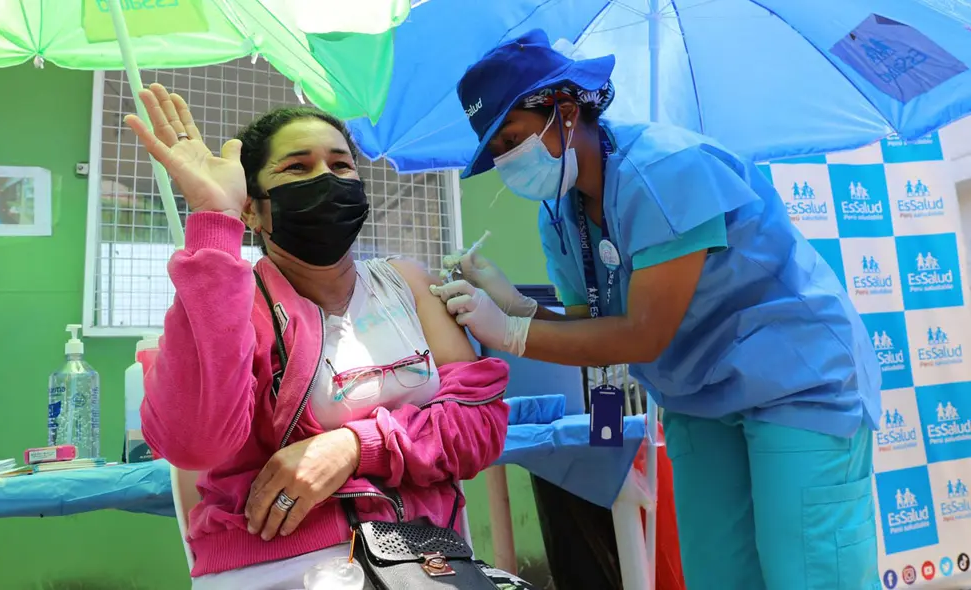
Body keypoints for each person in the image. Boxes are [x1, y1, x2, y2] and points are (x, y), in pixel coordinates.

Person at [434, 30, 882, 590]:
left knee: (810, 574)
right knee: (720, 576)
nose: (506, 160)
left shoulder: (666, 168)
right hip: (698, 395)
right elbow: (590, 331)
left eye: (512, 138)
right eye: (496, 151)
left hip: (797, 379)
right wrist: (516, 305)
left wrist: (509, 331)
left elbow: (642, 334)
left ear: (566, 110)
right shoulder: (559, 213)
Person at [126, 83, 536, 590]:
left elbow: (479, 423)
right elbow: (195, 444)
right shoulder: (232, 302)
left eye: (340, 165)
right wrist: (215, 224)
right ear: (253, 208)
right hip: (276, 569)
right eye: (297, 168)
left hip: (425, 559)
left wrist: (354, 447)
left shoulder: (407, 284)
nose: (325, 178)